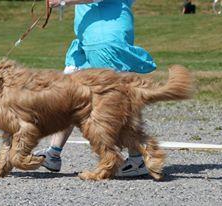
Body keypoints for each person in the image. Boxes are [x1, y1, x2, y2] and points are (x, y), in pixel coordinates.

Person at [35, 0, 157, 177]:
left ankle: (137, 159)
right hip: (86, 42)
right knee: (67, 98)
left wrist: (62, 1)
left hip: (106, 40)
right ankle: (53, 153)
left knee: (116, 104)